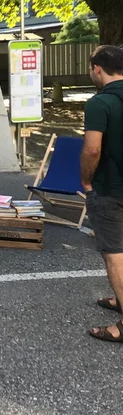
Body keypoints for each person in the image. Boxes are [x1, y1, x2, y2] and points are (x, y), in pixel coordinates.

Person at [82, 45, 123, 342]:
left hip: (111, 188)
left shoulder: (100, 103)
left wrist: (86, 181)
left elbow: (93, 149)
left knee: (115, 256)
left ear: (98, 68)